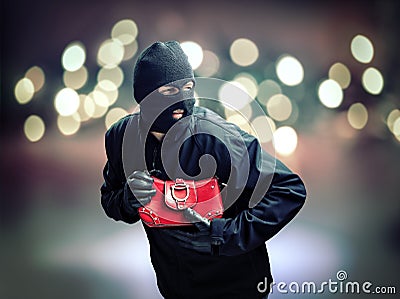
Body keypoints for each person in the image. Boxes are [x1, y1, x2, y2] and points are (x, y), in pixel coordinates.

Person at [100, 40, 306, 299]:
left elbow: (288, 189)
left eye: (188, 88)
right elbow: (109, 199)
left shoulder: (217, 137)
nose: (181, 98)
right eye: (168, 90)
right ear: (144, 94)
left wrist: (228, 234)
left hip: (238, 287)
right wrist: (128, 200)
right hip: (176, 288)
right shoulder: (122, 138)